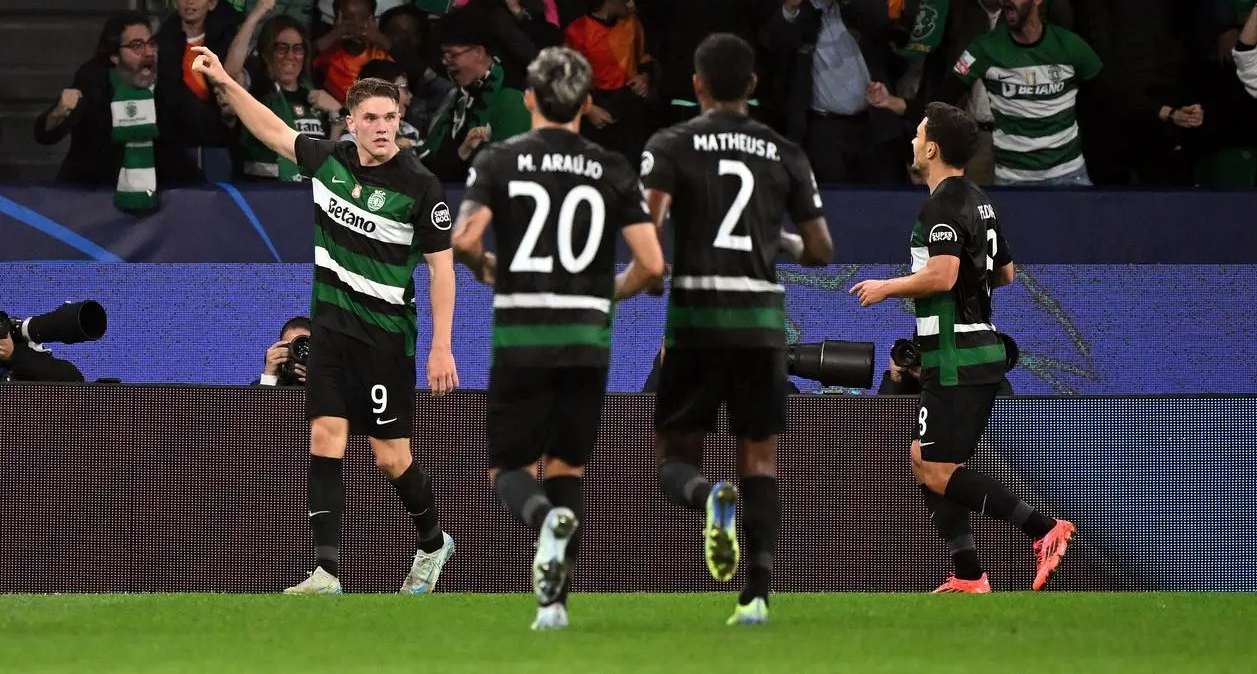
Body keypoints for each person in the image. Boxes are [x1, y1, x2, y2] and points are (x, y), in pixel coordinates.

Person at [191, 47, 461, 596]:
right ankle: (326, 573)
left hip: (386, 337)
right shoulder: (329, 160)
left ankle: (434, 542)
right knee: (325, 435)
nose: (383, 127)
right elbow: (271, 130)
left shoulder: (421, 186)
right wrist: (223, 80)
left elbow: (442, 270)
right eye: (372, 119)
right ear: (351, 123)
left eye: (391, 117)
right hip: (332, 330)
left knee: (390, 457)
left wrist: (442, 347)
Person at [451, 47, 665, 630]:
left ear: (528, 99)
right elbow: (651, 263)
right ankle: (554, 606)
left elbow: (466, 240)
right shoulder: (614, 167)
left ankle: (542, 516)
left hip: (523, 330)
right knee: (568, 465)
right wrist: (611, 291)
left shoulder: (499, 159)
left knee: (507, 469)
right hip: (588, 337)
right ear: (588, 103)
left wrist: (488, 271)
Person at [641, 33, 834, 625]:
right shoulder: (784, 152)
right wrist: (777, 239)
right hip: (760, 322)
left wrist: (651, 278)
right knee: (760, 459)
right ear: (752, 86)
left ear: (697, 85)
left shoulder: (671, 144)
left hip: (698, 319)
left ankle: (707, 499)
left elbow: (649, 235)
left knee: (675, 458)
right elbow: (822, 250)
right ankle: (756, 594)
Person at [849, 101, 1076, 593]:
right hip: (971, 351)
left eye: (916, 134)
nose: (911, 142)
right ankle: (970, 574)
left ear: (931, 149)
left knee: (933, 467)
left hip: (957, 356)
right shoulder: (978, 200)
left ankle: (1046, 530)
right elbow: (1007, 273)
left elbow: (943, 274)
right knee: (923, 458)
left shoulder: (942, 205)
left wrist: (886, 287)